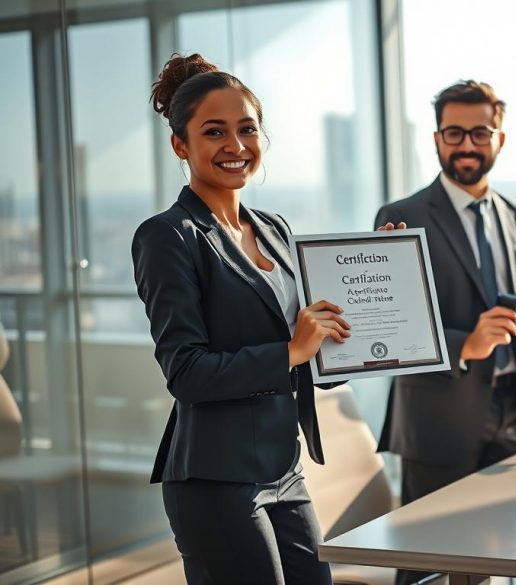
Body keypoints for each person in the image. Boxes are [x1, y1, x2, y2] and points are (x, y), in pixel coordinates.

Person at [374, 80, 516, 585]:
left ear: (499, 139)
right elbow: (391, 326)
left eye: (480, 133)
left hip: (511, 414)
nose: (466, 145)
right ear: (436, 139)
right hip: (438, 417)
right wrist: (465, 344)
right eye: (453, 133)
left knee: (496, 561)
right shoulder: (400, 217)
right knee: (426, 564)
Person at [132, 53, 348, 584]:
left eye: (247, 129)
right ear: (180, 145)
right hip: (215, 478)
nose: (235, 145)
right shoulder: (169, 236)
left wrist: (378, 291)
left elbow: (310, 346)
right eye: (214, 132)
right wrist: (291, 351)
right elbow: (186, 372)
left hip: (285, 468)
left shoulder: (274, 227)